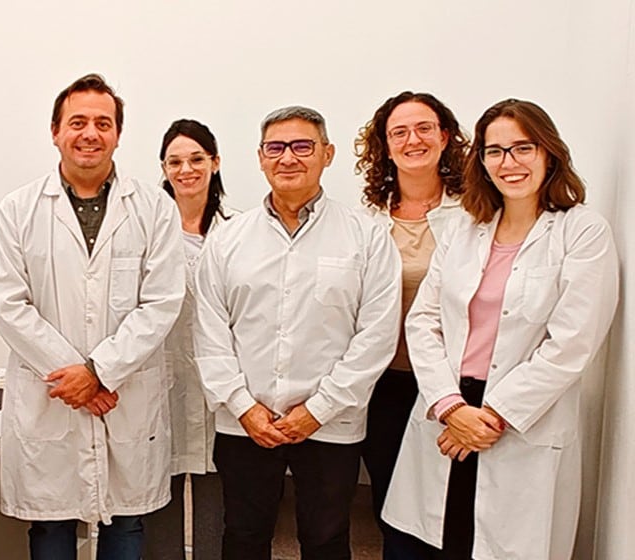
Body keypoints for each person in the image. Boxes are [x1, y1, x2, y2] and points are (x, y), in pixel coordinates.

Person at [383, 99, 619, 560]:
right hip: (449, 407)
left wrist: (490, 416)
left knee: (504, 546)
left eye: (522, 148)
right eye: (495, 151)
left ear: (549, 153)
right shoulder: (463, 229)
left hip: (518, 417)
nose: (508, 163)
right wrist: (452, 407)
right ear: (482, 161)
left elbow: (572, 343)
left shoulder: (582, 232)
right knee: (434, 541)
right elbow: (424, 321)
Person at [0, 73, 185, 560]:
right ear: (55, 131)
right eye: (78, 122)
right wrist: (78, 378)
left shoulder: (154, 209)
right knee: (51, 529)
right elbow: (12, 307)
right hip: (51, 393)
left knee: (125, 523)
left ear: (118, 133)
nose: (90, 133)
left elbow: (161, 302)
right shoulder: (17, 210)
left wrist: (97, 372)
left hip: (122, 393)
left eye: (103, 122)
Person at [194, 105, 401, 560]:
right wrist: (244, 407)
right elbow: (210, 333)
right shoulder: (228, 239)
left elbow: (376, 336)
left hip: (330, 422)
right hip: (246, 422)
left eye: (302, 146)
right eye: (276, 147)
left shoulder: (365, 237)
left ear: (327, 154)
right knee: (244, 536)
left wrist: (319, 408)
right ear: (261, 157)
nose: (288, 157)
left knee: (326, 539)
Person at [354, 91, 469, 559]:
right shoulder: (365, 222)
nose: (413, 140)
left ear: (444, 137)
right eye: (399, 132)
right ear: (385, 145)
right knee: (391, 502)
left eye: (424, 128)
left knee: (450, 501)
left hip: (448, 384)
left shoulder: (473, 214)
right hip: (384, 382)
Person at [142, 118, 231, 560]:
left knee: (219, 483)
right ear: (164, 168)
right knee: (161, 483)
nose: (186, 169)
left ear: (215, 163)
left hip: (222, 381)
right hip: (162, 374)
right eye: (175, 161)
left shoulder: (235, 233)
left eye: (197, 159)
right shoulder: (147, 233)